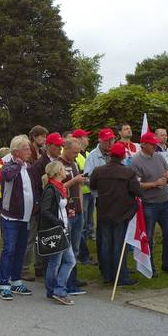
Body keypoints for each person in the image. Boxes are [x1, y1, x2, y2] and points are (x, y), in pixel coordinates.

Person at [90, 142, 141, 285]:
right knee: (119, 245)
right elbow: (137, 191)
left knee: (106, 244)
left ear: (111, 155)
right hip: (122, 214)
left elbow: (93, 185)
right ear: (123, 156)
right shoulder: (128, 172)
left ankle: (107, 275)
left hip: (104, 212)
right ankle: (121, 276)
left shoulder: (99, 170)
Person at [131, 132, 168, 276]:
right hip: (148, 204)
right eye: (152, 144)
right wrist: (154, 184)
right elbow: (135, 185)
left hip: (165, 202)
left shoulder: (159, 157)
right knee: (148, 238)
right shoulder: (136, 162)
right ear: (144, 145)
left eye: (155, 144)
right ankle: (149, 265)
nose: (155, 146)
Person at [0, 135, 38, 300]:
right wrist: (18, 163)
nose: (29, 151)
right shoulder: (9, 166)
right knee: (9, 249)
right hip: (11, 217)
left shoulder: (28, 167)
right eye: (26, 148)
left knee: (20, 249)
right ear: (16, 151)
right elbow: (7, 176)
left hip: (25, 216)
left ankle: (16, 280)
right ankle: (4, 283)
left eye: (29, 148)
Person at [23, 132, 63, 281]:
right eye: (57, 146)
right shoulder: (40, 164)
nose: (59, 149)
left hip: (50, 204)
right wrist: (37, 203)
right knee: (32, 236)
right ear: (48, 146)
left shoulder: (56, 161)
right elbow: (33, 184)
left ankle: (40, 266)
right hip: (39, 205)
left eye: (60, 146)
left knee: (43, 236)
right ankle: (24, 267)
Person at [40, 160, 76, 305]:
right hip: (58, 230)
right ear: (57, 172)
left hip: (62, 229)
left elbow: (57, 208)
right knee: (66, 261)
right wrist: (59, 222)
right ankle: (59, 290)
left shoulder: (58, 188)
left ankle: (52, 290)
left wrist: (67, 212)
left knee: (58, 262)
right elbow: (45, 211)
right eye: (63, 169)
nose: (65, 171)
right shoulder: (50, 189)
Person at [58, 139, 88, 295]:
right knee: (67, 250)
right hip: (65, 212)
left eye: (78, 152)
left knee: (75, 249)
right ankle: (66, 283)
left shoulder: (75, 164)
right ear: (66, 149)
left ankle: (72, 280)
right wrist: (74, 180)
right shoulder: (58, 164)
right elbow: (57, 187)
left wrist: (81, 209)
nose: (77, 155)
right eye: (75, 152)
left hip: (77, 211)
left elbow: (79, 188)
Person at [83, 128, 116, 271]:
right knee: (103, 231)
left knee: (117, 231)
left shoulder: (117, 152)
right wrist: (103, 185)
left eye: (112, 140)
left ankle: (116, 262)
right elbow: (87, 178)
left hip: (117, 198)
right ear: (100, 141)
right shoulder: (92, 156)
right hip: (102, 198)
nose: (110, 143)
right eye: (107, 140)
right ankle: (105, 265)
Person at [72, 129, 96, 265]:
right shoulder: (75, 155)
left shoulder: (86, 154)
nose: (88, 139)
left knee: (88, 223)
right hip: (81, 192)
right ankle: (82, 254)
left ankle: (84, 252)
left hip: (89, 191)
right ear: (79, 139)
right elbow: (82, 173)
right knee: (80, 224)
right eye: (85, 137)